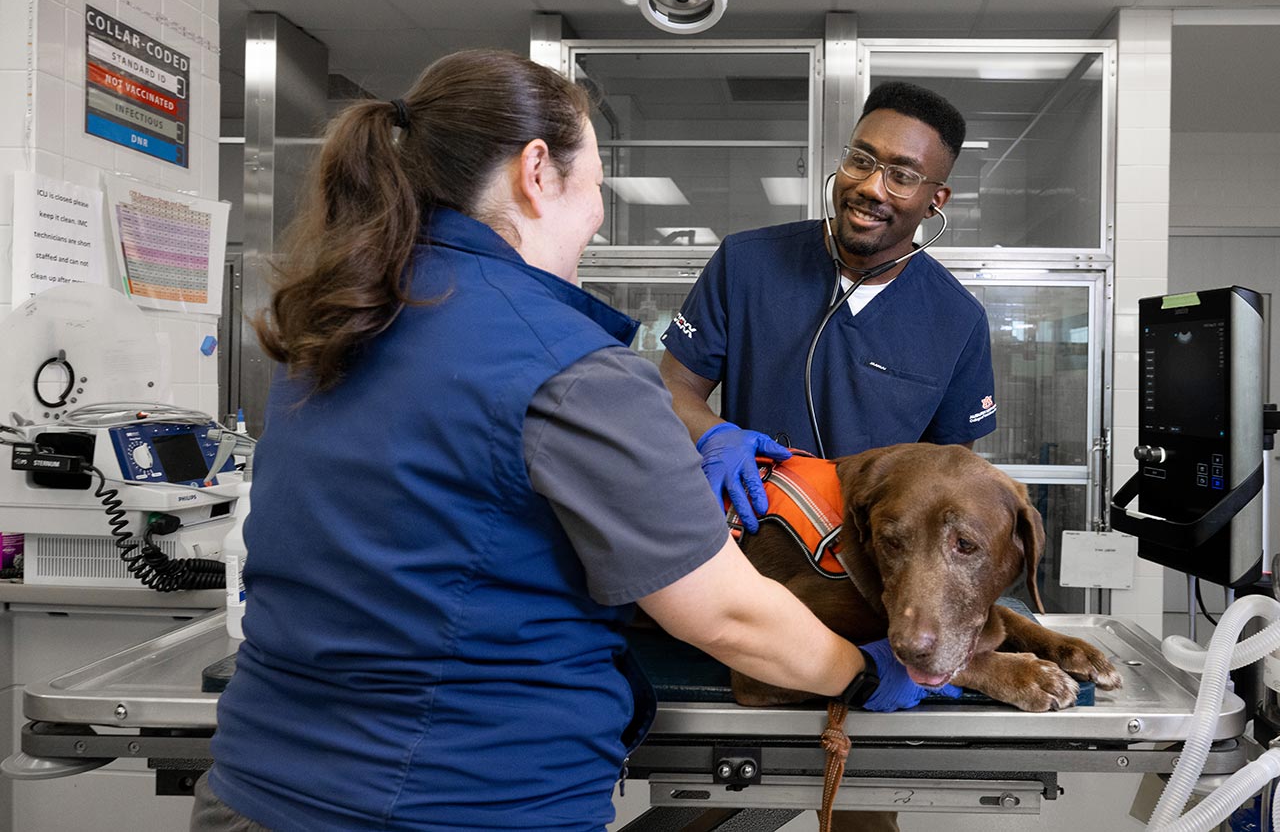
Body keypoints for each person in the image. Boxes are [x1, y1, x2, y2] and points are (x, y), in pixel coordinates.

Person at [189, 51, 954, 832]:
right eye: (596, 181)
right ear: (537, 171)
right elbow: (728, 615)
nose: (596, 213)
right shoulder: (569, 365)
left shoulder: (331, 321)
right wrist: (864, 672)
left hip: (253, 786)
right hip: (455, 804)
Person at [659, 81, 998, 832]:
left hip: (869, 604)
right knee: (704, 796)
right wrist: (711, 432)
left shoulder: (957, 321)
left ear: (935, 199)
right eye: (861, 159)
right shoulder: (747, 264)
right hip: (741, 580)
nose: (872, 187)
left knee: (859, 813)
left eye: (902, 174)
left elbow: (952, 482)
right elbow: (673, 389)